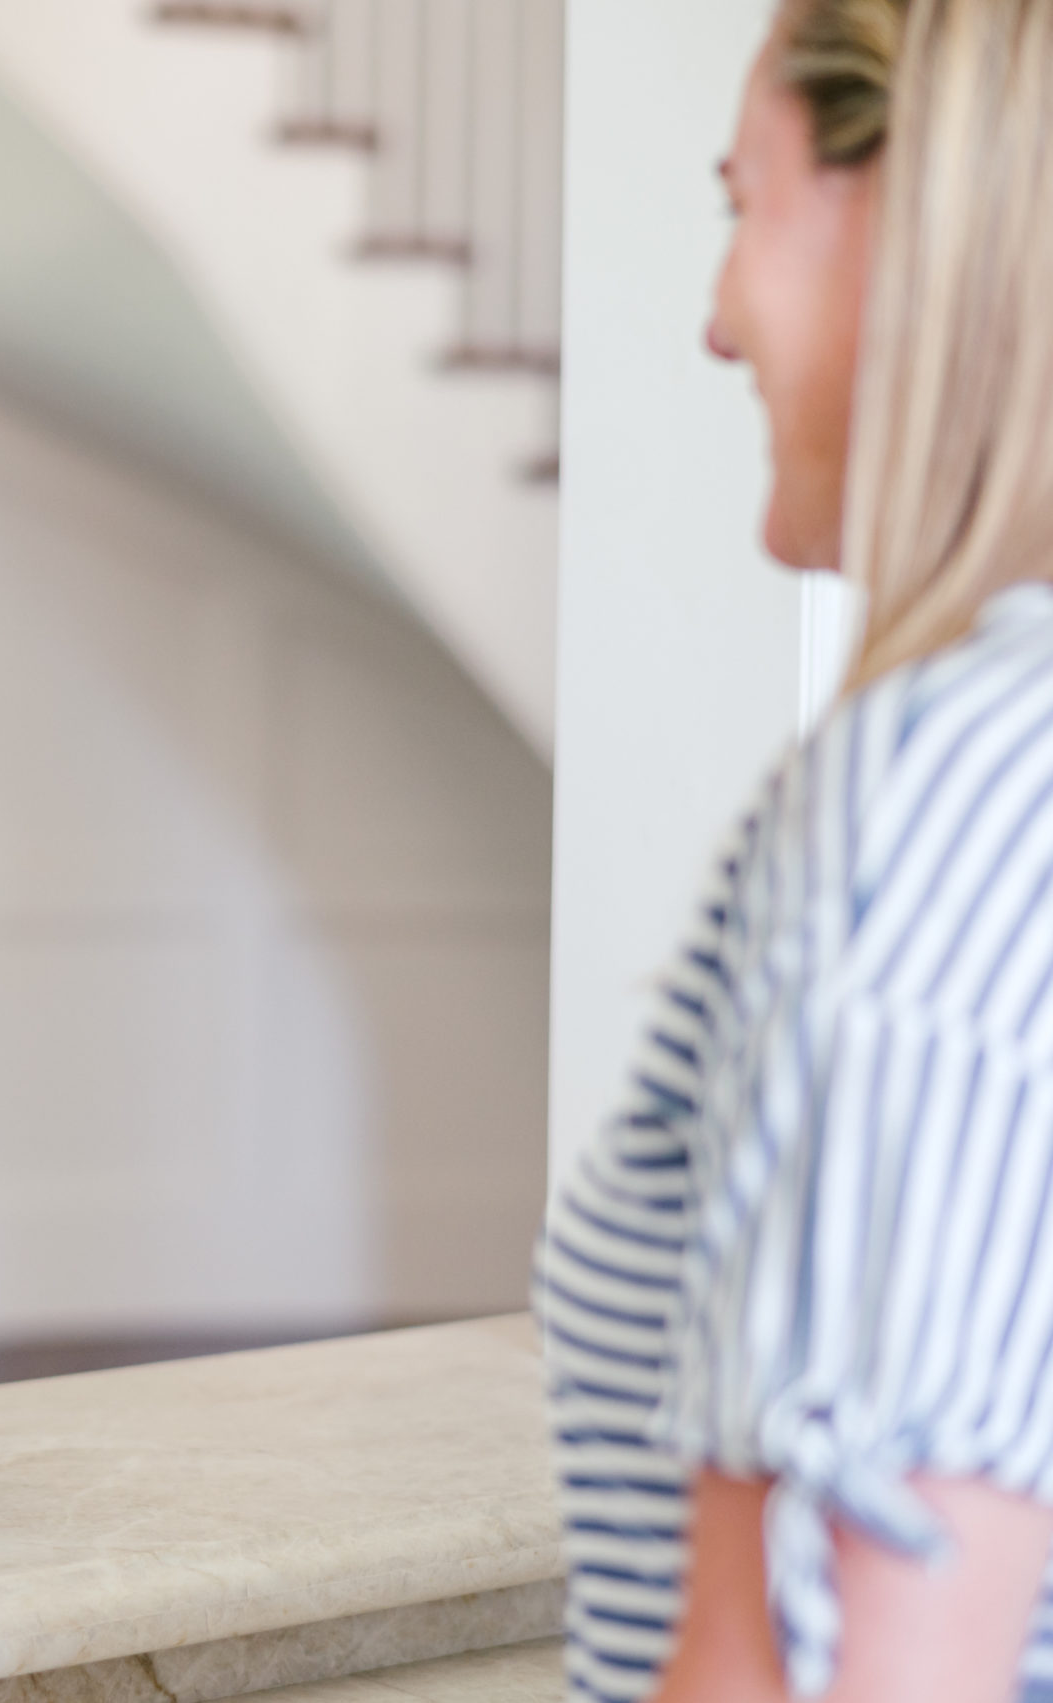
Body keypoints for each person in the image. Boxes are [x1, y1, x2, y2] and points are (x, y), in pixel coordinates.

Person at [542, 1, 1053, 1699]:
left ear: (919, 221)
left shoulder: (932, 805)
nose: (712, 319)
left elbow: (853, 1661)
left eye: (740, 205)